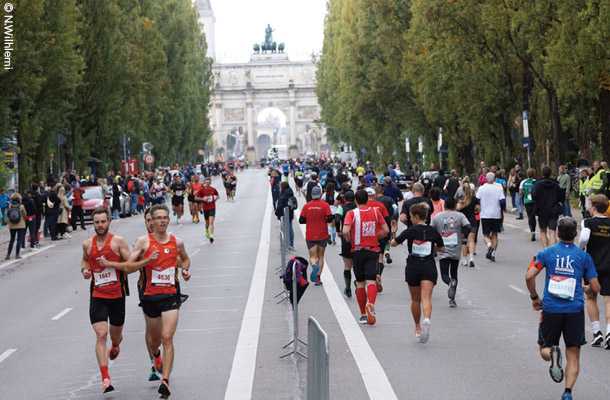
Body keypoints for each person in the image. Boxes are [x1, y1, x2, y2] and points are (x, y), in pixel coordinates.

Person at [101, 204, 190, 398]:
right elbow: (129, 268)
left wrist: (184, 269)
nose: (160, 221)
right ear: (149, 221)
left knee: (167, 337)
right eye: (156, 218)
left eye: (164, 218)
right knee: (154, 338)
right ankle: (155, 356)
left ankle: (165, 381)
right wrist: (147, 261)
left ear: (168, 219)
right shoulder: (143, 242)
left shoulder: (177, 241)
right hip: (149, 293)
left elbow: (185, 259)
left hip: (171, 294)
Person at [80, 208, 156, 393]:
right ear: (93, 224)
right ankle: (106, 379)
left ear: (109, 222)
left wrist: (114, 265)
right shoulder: (87, 244)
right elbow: (84, 261)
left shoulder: (118, 242)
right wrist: (85, 270)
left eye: (103, 221)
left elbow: (129, 265)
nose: (100, 225)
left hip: (117, 296)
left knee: (115, 336)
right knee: (100, 334)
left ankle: (115, 346)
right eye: (97, 222)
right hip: (98, 295)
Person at [526, 217, 600, 400]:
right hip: (574, 310)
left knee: (544, 348)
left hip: (551, 309)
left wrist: (535, 297)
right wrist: (587, 289)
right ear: (575, 235)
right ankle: (567, 393)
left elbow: (529, 276)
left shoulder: (546, 253)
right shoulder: (584, 257)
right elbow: (596, 287)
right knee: (573, 354)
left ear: (557, 233)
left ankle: (552, 353)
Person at [391, 203, 444, 343]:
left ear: (415, 216)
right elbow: (441, 248)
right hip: (428, 265)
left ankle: (417, 327)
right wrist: (433, 249)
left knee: (415, 299)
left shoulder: (410, 230)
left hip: (413, 266)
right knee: (426, 297)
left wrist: (394, 234)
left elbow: (394, 243)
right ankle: (427, 319)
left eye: (410, 217)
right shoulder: (433, 231)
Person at [342, 189, 389, 325]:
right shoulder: (376, 212)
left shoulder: (351, 213)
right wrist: (375, 236)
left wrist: (350, 238)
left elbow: (345, 230)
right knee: (371, 281)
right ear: (367, 200)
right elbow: (385, 230)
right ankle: (371, 304)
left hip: (357, 251)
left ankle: (363, 314)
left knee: (360, 282)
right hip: (373, 250)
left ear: (356, 200)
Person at [578, 194, 610, 349]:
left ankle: (597, 332)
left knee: (591, 297)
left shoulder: (588, 222)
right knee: (609, 300)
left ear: (594, 207)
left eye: (590, 205)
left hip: (592, 266)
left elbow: (584, 239)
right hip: (609, 265)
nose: (588, 208)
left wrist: (580, 249)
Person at [431, 197, 470, 307]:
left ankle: (449, 283)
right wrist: (462, 236)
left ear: (445, 205)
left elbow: (431, 231)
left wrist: (435, 243)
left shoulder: (437, 217)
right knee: (454, 273)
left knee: (444, 274)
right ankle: (452, 300)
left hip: (442, 249)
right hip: (456, 248)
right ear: (454, 206)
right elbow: (468, 227)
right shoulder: (460, 216)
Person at [299, 186, 333, 286]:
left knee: (313, 256)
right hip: (323, 234)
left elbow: (301, 220)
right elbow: (330, 218)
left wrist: (309, 219)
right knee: (321, 256)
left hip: (310, 234)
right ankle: (318, 278)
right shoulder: (325, 205)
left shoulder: (307, 206)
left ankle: (314, 265)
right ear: (321, 193)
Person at [476, 172, 505, 262]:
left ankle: (489, 246)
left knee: (485, 234)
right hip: (496, 214)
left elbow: (477, 200)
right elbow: (502, 201)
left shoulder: (481, 188)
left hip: (485, 214)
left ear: (485, 179)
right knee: (495, 234)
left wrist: (478, 208)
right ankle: (493, 253)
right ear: (494, 179)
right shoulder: (499, 187)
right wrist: (502, 209)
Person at [533, 166, 563, 248]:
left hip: (541, 211)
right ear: (550, 173)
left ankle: (546, 250)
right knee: (552, 231)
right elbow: (561, 197)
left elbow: (534, 196)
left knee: (543, 231)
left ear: (542, 173)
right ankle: (552, 250)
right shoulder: (556, 184)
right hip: (553, 210)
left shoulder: (537, 184)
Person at [339, 190, 357, 297]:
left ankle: (348, 287)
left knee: (347, 265)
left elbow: (336, 218)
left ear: (345, 199)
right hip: (357, 239)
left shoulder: (342, 208)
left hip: (346, 238)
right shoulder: (357, 208)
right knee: (357, 265)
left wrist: (338, 230)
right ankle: (359, 283)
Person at [457, 178, 479, 268]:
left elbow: (458, 208)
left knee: (463, 242)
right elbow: (477, 209)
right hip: (473, 221)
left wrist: (461, 204)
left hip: (463, 222)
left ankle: (464, 260)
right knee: (471, 240)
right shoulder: (475, 199)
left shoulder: (461, 200)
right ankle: (471, 258)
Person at [195, 177, 219, 243]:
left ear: (210, 183)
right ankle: (206, 230)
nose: (207, 183)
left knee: (211, 222)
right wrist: (203, 199)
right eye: (206, 182)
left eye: (209, 182)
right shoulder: (201, 190)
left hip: (212, 208)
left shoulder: (213, 189)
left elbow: (217, 196)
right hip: (205, 208)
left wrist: (214, 199)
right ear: (205, 183)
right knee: (207, 223)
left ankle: (211, 235)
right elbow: (196, 198)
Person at [5, 193, 27, 260]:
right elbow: (25, 215)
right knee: (19, 240)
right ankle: (17, 255)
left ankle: (8, 255)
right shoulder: (21, 206)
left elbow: (7, 216)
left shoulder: (9, 206)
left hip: (12, 225)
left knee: (12, 240)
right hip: (21, 225)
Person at [275, 181, 296, 249]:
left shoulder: (284, 194)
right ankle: (290, 243)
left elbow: (280, 204)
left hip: (285, 214)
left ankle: (289, 244)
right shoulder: (289, 192)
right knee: (289, 228)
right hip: (289, 213)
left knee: (288, 229)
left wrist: (277, 212)